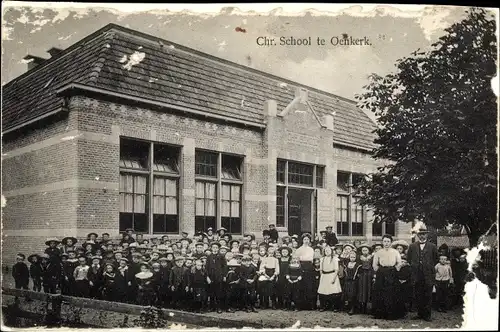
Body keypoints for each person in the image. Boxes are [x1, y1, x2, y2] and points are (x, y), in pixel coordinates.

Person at [406, 224, 439, 321]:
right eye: (420, 234)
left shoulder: (432, 246)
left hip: (428, 274)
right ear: (417, 235)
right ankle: (419, 314)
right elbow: (409, 259)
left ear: (427, 235)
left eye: (424, 234)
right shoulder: (412, 246)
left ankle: (427, 315)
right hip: (416, 274)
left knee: (428, 295)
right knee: (418, 294)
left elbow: (436, 259)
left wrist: (428, 266)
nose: (422, 236)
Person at [371, 234, 405, 320]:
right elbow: (375, 264)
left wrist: (395, 270)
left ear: (391, 242)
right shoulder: (378, 252)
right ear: (382, 242)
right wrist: (380, 271)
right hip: (381, 273)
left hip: (392, 272)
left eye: (388, 241)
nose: (386, 243)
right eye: (385, 241)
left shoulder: (395, 252)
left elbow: (399, 262)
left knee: (391, 292)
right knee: (380, 292)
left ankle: (392, 314)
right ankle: (380, 313)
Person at [317, 246, 342, 312]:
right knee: (323, 292)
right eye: (326, 251)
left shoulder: (334, 258)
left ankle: (335, 307)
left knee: (333, 292)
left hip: (332, 275)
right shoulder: (322, 259)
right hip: (324, 276)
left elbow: (336, 270)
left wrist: (334, 279)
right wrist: (322, 276)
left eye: (328, 250)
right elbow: (321, 269)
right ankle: (323, 306)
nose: (327, 252)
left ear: (331, 251)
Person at [295, 233, 315, 310]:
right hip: (301, 267)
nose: (306, 241)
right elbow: (297, 260)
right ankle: (300, 306)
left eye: (308, 239)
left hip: (309, 268)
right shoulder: (299, 249)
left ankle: (308, 305)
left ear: (309, 240)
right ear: (302, 240)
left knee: (309, 286)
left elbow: (312, 260)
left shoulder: (311, 249)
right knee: (301, 286)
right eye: (305, 239)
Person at [356, 243, 373, 314]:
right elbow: (358, 266)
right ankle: (361, 305)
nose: (364, 252)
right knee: (361, 289)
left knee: (368, 289)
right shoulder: (359, 257)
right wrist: (358, 273)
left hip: (369, 275)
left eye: (366, 250)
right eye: (363, 250)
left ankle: (367, 305)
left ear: (368, 251)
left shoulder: (371, 257)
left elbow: (372, 266)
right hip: (362, 275)